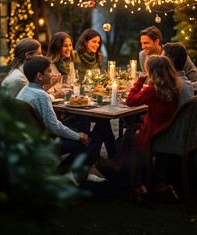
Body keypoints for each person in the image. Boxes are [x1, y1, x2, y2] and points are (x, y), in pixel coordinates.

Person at [16, 55, 109, 184]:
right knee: (87, 140)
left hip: (30, 139)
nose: (52, 73)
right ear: (39, 76)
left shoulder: (24, 91)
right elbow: (55, 127)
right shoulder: (42, 96)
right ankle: (62, 174)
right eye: (49, 71)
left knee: (79, 132)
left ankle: (78, 172)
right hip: (44, 142)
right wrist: (78, 136)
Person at [99, 55, 182, 199]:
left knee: (133, 139)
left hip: (155, 131)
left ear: (153, 73)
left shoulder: (152, 90)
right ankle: (121, 163)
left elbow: (130, 101)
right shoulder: (174, 86)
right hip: (166, 129)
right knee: (132, 128)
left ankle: (138, 184)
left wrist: (140, 80)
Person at [74, 28, 116, 159]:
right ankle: (106, 157)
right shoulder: (75, 56)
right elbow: (72, 80)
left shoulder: (98, 57)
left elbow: (99, 80)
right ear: (85, 41)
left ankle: (96, 157)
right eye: (94, 41)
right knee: (103, 122)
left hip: (94, 98)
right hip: (79, 100)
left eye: (98, 43)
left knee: (104, 121)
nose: (97, 45)